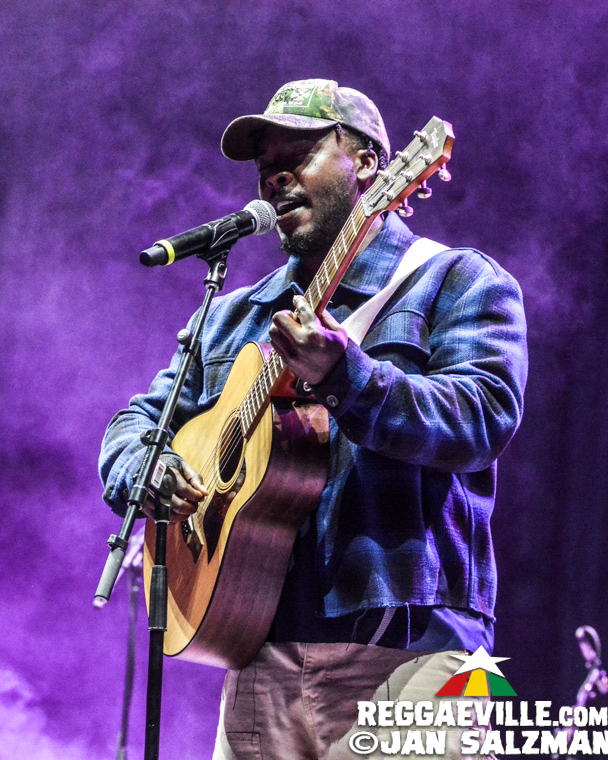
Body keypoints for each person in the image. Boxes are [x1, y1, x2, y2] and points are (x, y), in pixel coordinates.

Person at [99, 79, 528, 759]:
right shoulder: (234, 313)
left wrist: (348, 379)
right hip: (256, 656)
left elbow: (482, 418)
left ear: (366, 163)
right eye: (266, 163)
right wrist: (144, 470)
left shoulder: (454, 281)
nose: (275, 175)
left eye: (297, 153)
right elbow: (136, 422)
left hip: (410, 660)